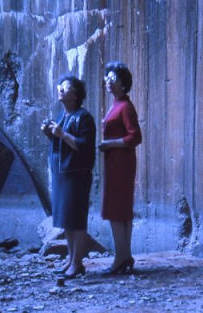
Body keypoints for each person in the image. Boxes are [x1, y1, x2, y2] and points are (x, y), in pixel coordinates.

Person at [41, 75, 96, 278]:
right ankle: (70, 259)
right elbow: (61, 144)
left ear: (76, 95)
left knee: (77, 220)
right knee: (66, 221)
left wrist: (62, 134)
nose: (61, 90)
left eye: (67, 88)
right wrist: (50, 134)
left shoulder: (84, 117)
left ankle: (77, 262)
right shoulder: (62, 115)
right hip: (62, 174)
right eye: (61, 87)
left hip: (76, 175)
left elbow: (84, 146)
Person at [98, 61, 142, 274]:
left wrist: (109, 144)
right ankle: (125, 255)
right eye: (107, 78)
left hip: (121, 162)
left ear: (123, 83)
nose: (108, 82)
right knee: (121, 210)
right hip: (116, 161)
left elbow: (135, 136)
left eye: (113, 79)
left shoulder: (125, 106)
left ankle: (120, 257)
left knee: (117, 209)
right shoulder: (117, 104)